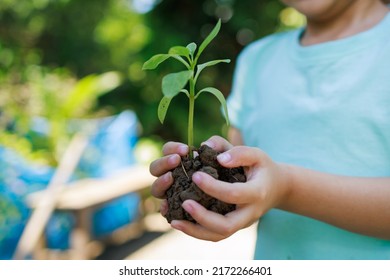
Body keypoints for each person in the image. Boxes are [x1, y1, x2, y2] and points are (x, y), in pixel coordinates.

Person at [149, 0, 390, 259]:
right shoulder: (256, 60)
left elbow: (275, 187)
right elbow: (251, 183)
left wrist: (286, 188)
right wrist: (223, 188)